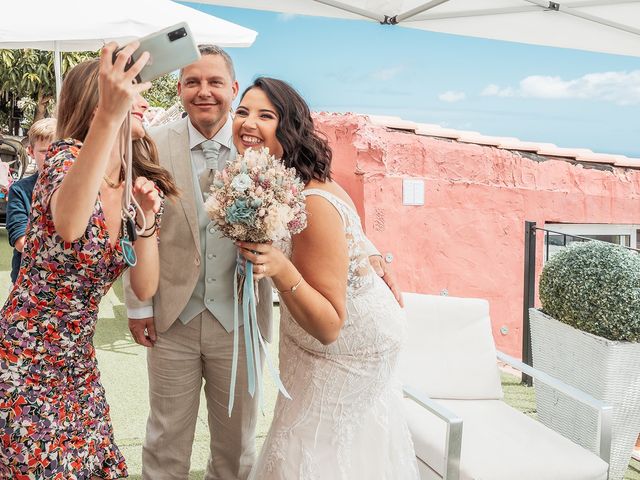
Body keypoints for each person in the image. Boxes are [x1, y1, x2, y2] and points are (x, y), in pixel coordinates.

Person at [124, 45, 401, 480]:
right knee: (164, 438)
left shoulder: (263, 148)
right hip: (171, 315)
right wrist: (138, 306)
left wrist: (371, 255)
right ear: (178, 89)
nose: (204, 92)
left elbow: (326, 204)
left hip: (241, 321)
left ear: (231, 89)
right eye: (192, 82)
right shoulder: (152, 146)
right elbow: (133, 226)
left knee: (236, 445)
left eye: (215, 83)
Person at [0, 43, 176, 479]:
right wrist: (109, 117)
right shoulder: (64, 159)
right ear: (101, 98)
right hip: (24, 356)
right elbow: (70, 225)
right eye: (133, 90)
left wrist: (149, 220)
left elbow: (144, 287)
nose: (146, 101)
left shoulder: (135, 182)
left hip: (77, 360)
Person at [232, 77, 419, 480]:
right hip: (328, 337)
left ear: (290, 128)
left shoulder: (310, 201)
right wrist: (373, 254)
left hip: (345, 348)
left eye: (265, 114)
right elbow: (355, 236)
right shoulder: (285, 179)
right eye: (242, 111)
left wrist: (281, 269)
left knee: (314, 449)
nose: (248, 123)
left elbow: (329, 326)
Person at [6, 117, 56, 284]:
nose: (51, 157)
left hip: (68, 283)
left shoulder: (81, 188)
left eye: (57, 150)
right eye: (44, 151)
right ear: (30, 151)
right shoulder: (20, 190)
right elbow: (21, 242)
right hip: (28, 281)